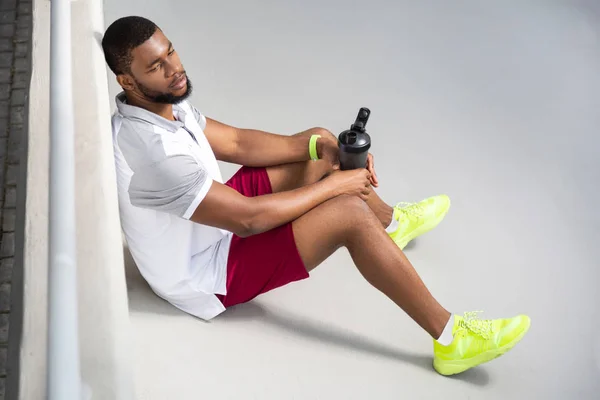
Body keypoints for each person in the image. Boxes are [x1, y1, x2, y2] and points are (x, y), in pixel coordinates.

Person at [102, 16, 530, 377]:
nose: (174, 68)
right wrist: (336, 186)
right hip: (203, 272)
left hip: (206, 225)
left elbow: (234, 142)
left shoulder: (162, 104)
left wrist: (316, 145)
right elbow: (248, 220)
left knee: (322, 142)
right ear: (128, 80)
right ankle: (452, 339)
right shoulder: (155, 153)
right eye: (157, 66)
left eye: (171, 51)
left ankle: (391, 226)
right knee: (346, 212)